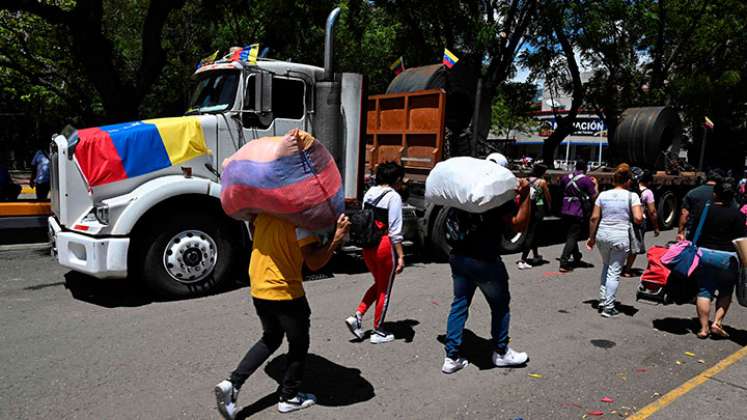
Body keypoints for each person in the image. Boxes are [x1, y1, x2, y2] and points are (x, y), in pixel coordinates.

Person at [215, 213, 351, 418]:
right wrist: (336, 238)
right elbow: (314, 262)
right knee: (299, 343)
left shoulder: (261, 215)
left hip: (259, 287)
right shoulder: (301, 222)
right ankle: (289, 397)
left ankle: (232, 384)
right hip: (285, 291)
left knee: (271, 337)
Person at [441, 168, 532, 374]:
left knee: (460, 304)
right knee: (500, 306)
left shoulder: (464, 190)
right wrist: (526, 195)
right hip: (485, 259)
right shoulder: (499, 195)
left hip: (459, 256)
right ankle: (501, 352)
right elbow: (517, 225)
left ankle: (451, 357)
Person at [345, 162, 406, 344]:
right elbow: (395, 231)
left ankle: (357, 315)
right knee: (384, 291)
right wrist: (401, 256)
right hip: (384, 246)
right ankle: (379, 331)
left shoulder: (370, 193)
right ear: (396, 179)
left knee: (379, 284)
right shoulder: (393, 197)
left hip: (368, 246)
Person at [586, 164, 643, 318]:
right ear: (628, 181)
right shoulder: (632, 196)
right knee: (614, 271)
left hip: (602, 235)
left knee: (606, 266)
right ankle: (608, 307)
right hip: (620, 235)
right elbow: (638, 218)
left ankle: (603, 299)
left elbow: (594, 218)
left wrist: (591, 238)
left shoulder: (603, 195)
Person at [691, 181, 746, 338]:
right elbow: (742, 239)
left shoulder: (704, 210)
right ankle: (717, 323)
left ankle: (703, 328)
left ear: (715, 194)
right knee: (725, 291)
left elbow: (693, 231)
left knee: (704, 290)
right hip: (727, 257)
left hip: (704, 254)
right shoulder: (738, 215)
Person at [677, 170, 738, 241]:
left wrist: (681, 232)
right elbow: (734, 213)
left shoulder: (692, 193)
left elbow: (684, 214)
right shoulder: (725, 195)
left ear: (706, 179)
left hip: (694, 234)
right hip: (717, 235)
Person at [559, 160, 598, 272]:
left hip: (565, 208)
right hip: (577, 210)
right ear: (585, 168)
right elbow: (594, 196)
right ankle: (564, 262)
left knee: (571, 234)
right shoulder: (586, 180)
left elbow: (562, 189)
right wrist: (596, 185)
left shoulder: (565, 178)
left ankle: (576, 256)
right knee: (573, 236)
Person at [623, 171, 660, 277]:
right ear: (648, 181)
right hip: (638, 221)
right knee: (634, 246)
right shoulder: (647, 193)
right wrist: (656, 227)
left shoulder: (628, 190)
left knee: (623, 245)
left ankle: (618, 267)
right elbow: (652, 211)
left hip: (625, 219)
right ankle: (627, 270)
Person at [517, 163, 551, 269]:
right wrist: (549, 207)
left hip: (527, 208)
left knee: (533, 232)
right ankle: (523, 260)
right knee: (531, 234)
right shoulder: (542, 182)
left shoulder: (526, 180)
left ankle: (536, 255)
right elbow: (547, 196)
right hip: (538, 208)